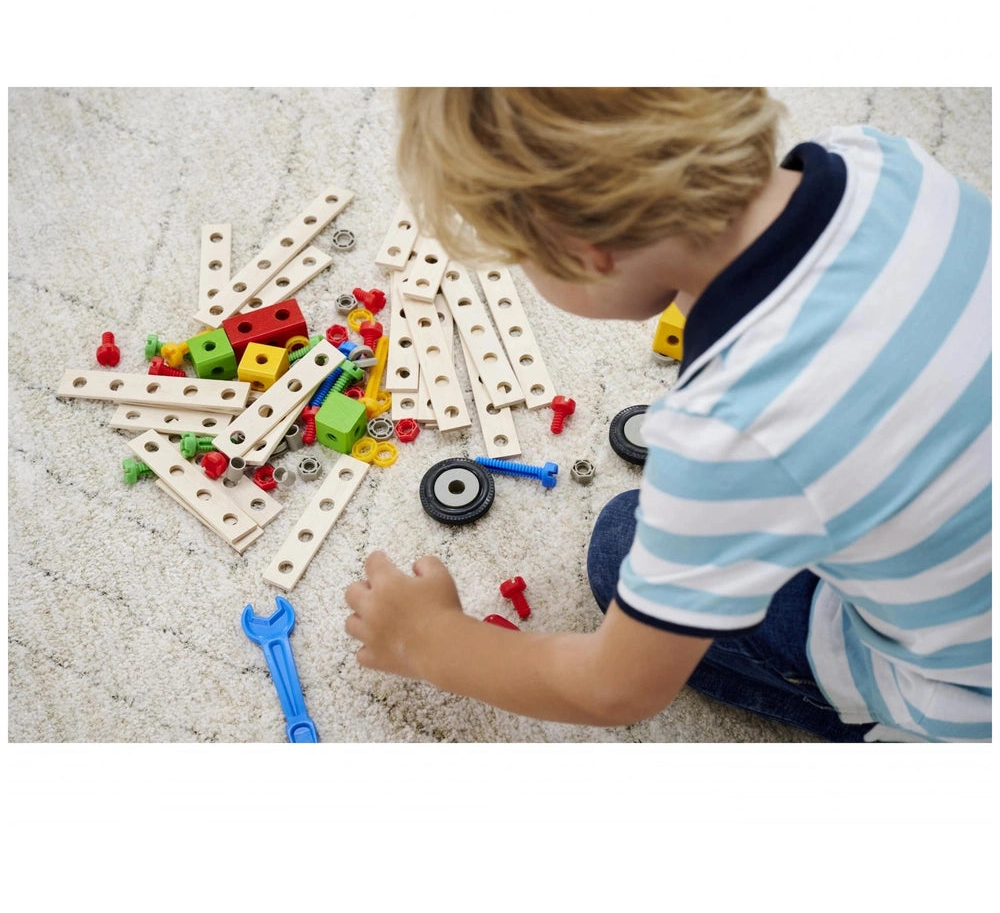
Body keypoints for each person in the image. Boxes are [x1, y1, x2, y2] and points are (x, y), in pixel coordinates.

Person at [344, 88, 991, 742]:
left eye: (522, 259)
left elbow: (613, 688)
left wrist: (428, 641)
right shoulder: (882, 158)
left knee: (619, 548)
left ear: (584, 247)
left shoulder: (728, 429)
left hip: (970, 696)